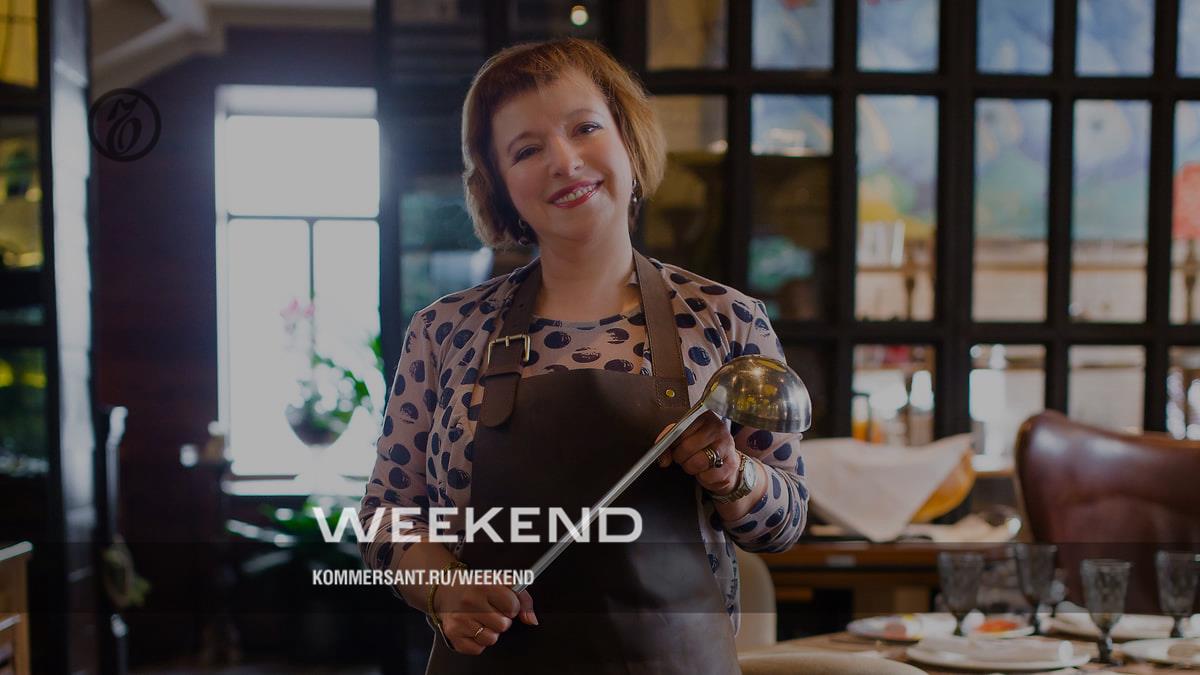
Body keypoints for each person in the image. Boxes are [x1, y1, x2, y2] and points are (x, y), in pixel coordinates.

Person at [359, 37, 809, 673]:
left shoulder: (727, 319)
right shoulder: (444, 331)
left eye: (585, 128)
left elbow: (784, 524)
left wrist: (732, 474)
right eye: (527, 150)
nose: (564, 162)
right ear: (499, 187)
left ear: (627, 139)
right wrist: (443, 589)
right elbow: (385, 518)